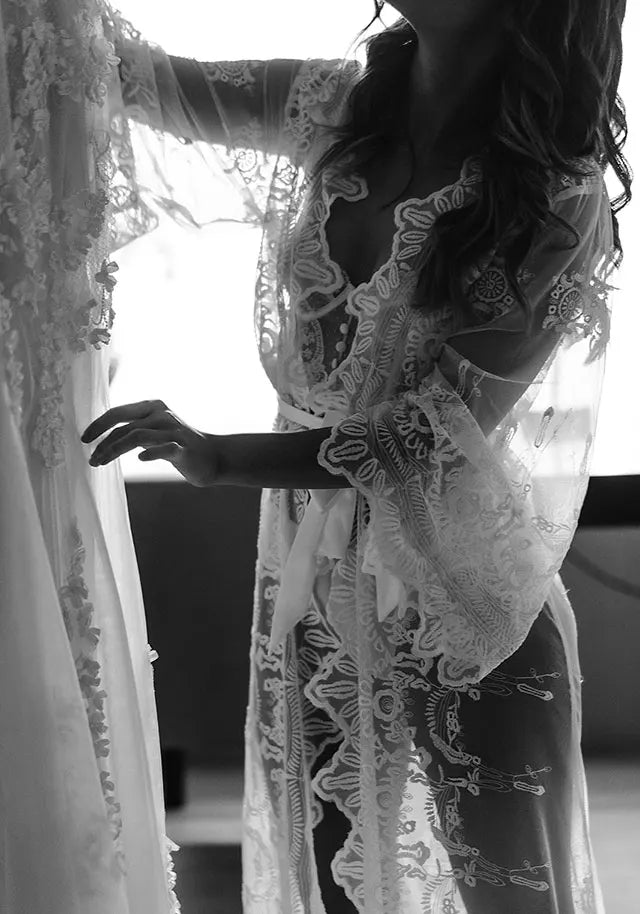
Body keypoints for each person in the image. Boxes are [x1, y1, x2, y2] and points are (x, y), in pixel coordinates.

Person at [87, 1, 630, 911]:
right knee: (331, 889)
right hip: (314, 588)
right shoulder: (333, 103)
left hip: (465, 608)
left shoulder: (556, 196)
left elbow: (435, 432)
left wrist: (222, 456)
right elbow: (141, 81)